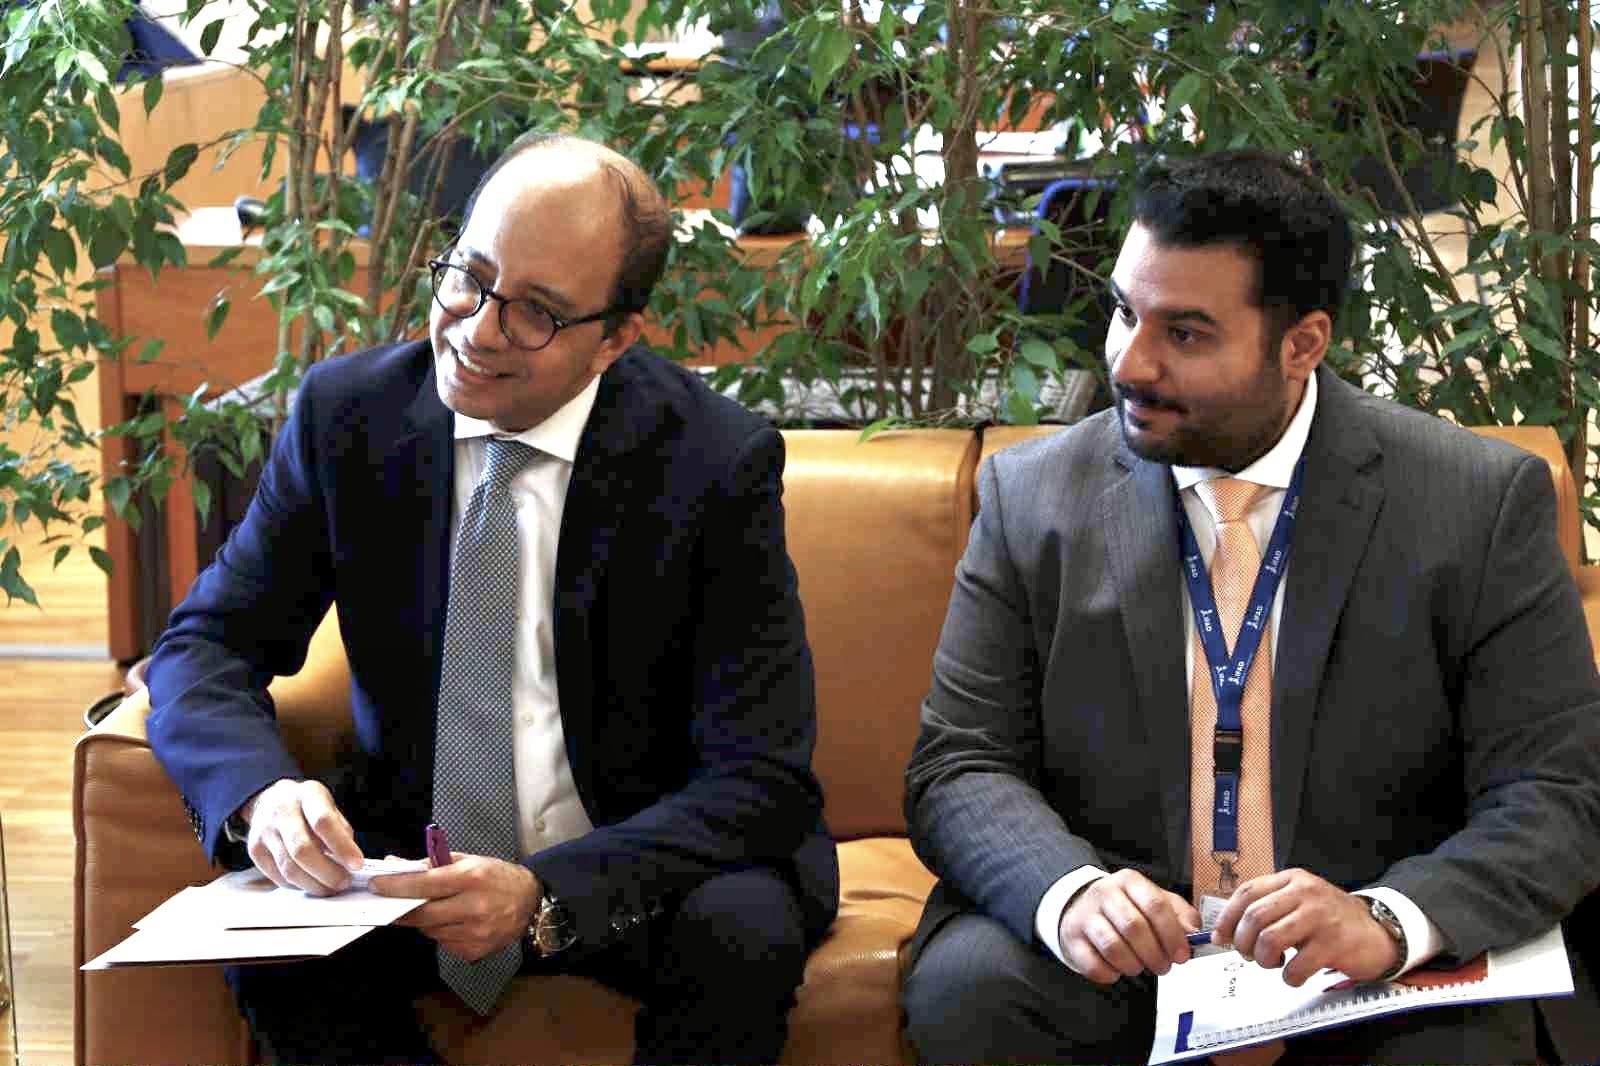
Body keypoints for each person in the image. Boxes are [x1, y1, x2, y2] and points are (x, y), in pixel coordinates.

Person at [145, 131, 838, 1065]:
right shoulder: (348, 419)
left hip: (638, 863)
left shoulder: (714, 463)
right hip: (417, 859)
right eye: (469, 277)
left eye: (537, 313)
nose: (477, 329)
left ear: (615, 338)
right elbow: (206, 645)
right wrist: (261, 796)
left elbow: (761, 773)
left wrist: (546, 892)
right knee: (276, 951)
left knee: (743, 931)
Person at [900, 149, 1600, 1064]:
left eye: (1186, 334)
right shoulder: (1032, 499)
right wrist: (1072, 893)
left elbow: (1556, 790)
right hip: (1128, 955)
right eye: (1124, 313)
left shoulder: (1475, 502)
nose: (1131, 363)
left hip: (1357, 961)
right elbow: (960, 762)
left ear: (1301, 344)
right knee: (971, 993)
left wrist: (1390, 918)